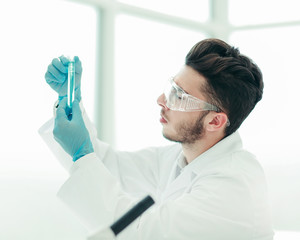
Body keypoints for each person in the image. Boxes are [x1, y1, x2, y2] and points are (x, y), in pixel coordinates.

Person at [39, 38, 274, 240]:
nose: (161, 100)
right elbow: (111, 169)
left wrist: (82, 153)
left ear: (215, 122)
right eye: (171, 87)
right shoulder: (182, 158)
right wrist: (72, 103)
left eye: (179, 96)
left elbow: (143, 234)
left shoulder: (234, 184)